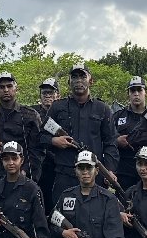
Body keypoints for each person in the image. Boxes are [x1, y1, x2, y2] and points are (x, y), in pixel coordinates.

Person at [40, 65, 117, 205]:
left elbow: (110, 143)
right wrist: (54, 141)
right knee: (62, 219)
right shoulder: (57, 107)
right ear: (69, 82)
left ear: (91, 81)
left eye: (82, 76)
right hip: (65, 175)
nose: (78, 80)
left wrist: (110, 169)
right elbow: (41, 137)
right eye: (74, 77)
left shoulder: (103, 109)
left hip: (94, 174)